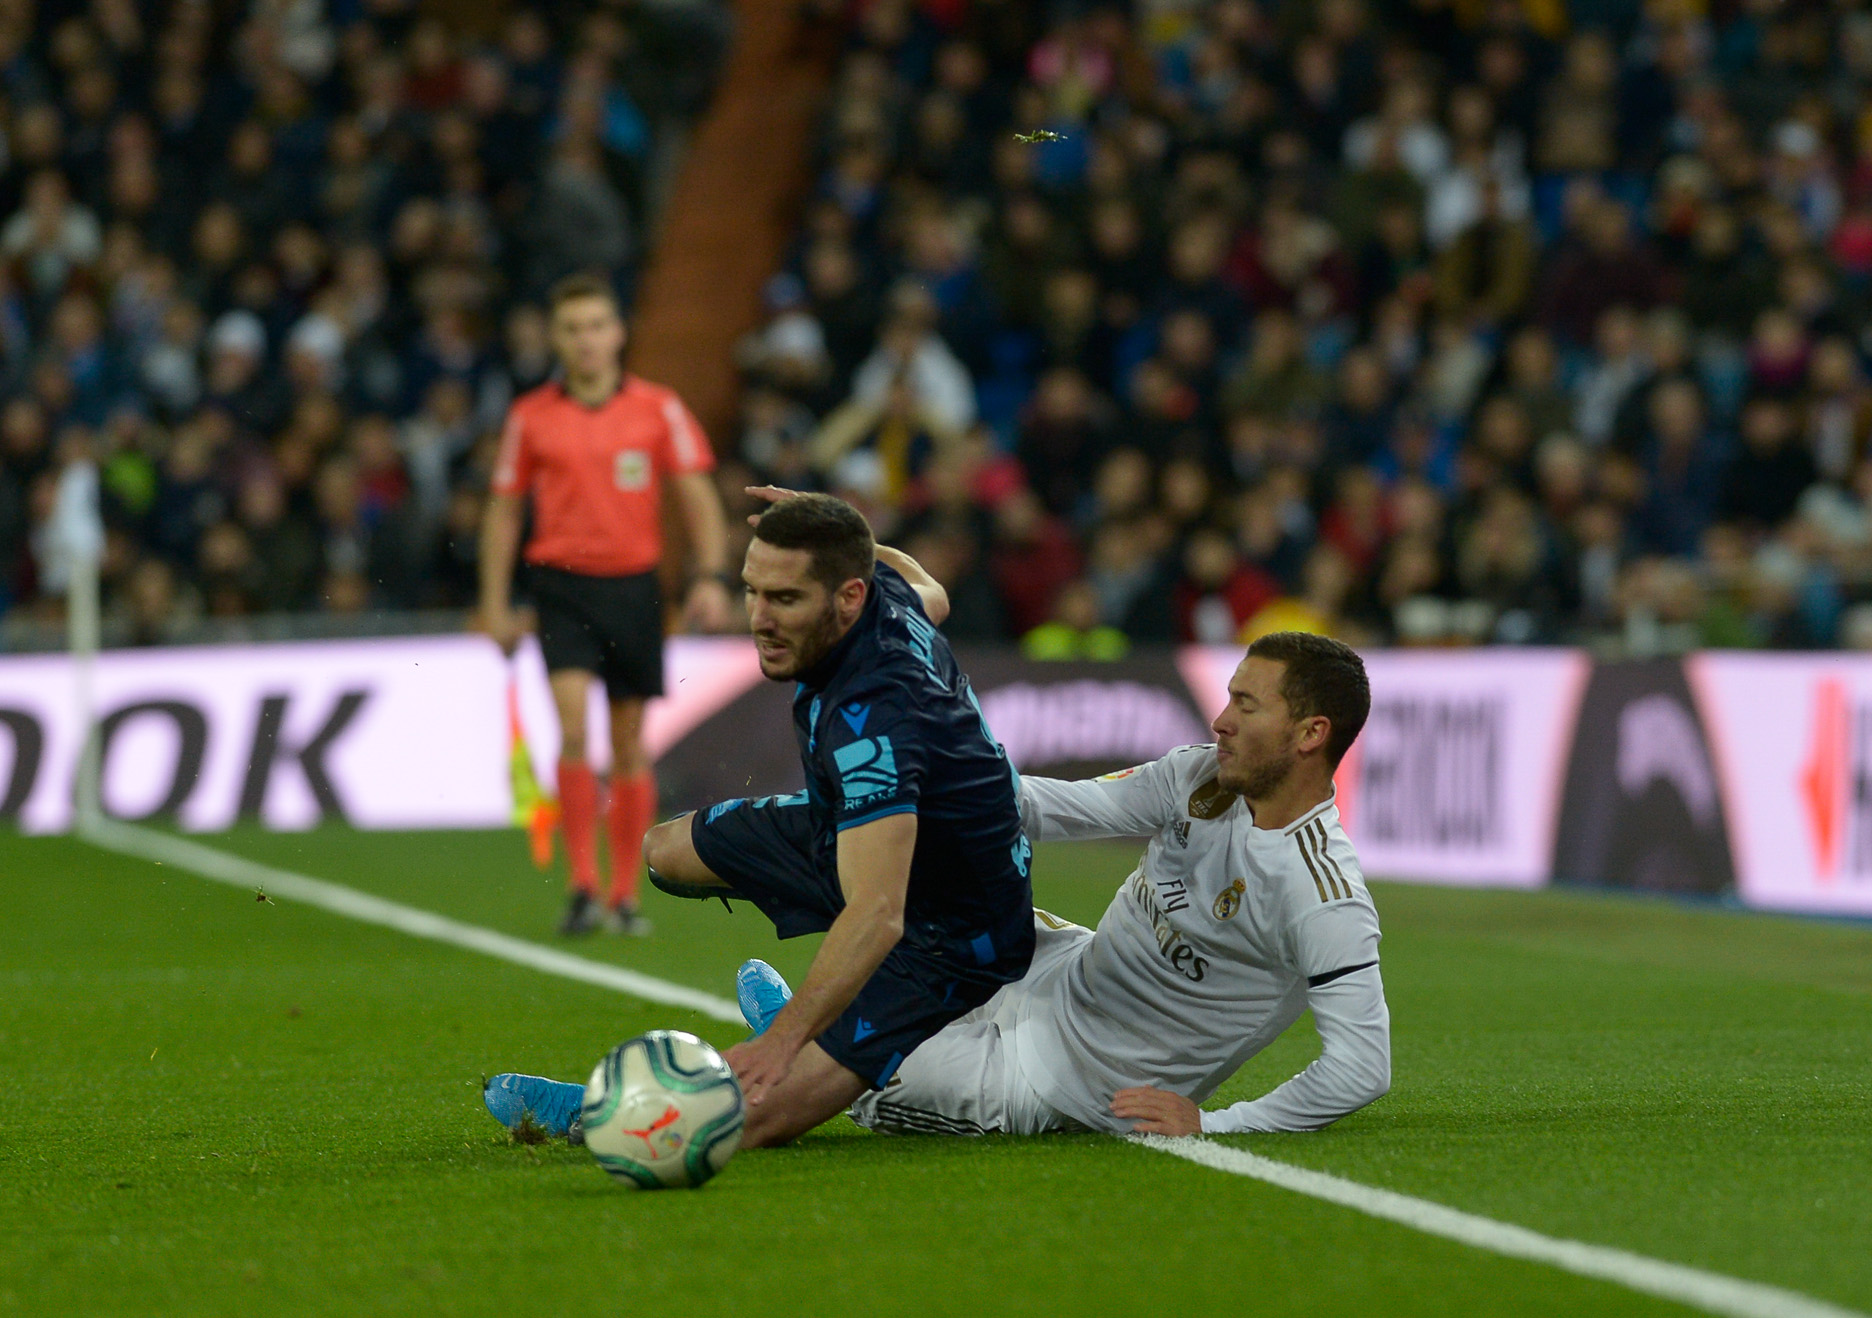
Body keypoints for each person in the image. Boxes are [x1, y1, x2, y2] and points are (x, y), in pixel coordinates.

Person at [484, 490, 1036, 1149]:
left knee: (749, 1122)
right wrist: (846, 530)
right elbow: (931, 587)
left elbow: (880, 914)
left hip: (951, 927)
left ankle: (604, 1110)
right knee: (665, 851)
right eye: (753, 591)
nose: (760, 619)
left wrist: (785, 1040)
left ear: (847, 599)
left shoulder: (878, 716)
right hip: (863, 833)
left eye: (785, 599)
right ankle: (810, 1022)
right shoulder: (883, 595)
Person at [848, 631, 1390, 1136]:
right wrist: (935, 778)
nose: (1221, 721)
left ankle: (807, 1038)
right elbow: (1056, 808)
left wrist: (1221, 1122)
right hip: (1056, 968)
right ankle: (825, 1011)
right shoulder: (1198, 777)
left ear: (1311, 734)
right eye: (1229, 699)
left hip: (1068, 1081)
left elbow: (1362, 1068)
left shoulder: (1323, 897)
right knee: (934, 895)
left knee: (854, 1072)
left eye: (1247, 706)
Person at [478, 273, 731, 937]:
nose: (585, 340)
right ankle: (583, 886)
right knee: (570, 729)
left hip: (634, 589)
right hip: (559, 587)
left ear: (617, 332)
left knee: (627, 742)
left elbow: (698, 495)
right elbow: (504, 512)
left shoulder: (657, 408)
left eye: (596, 325)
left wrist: (709, 575)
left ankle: (625, 895)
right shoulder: (530, 415)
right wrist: (495, 602)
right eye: (572, 328)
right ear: (557, 338)